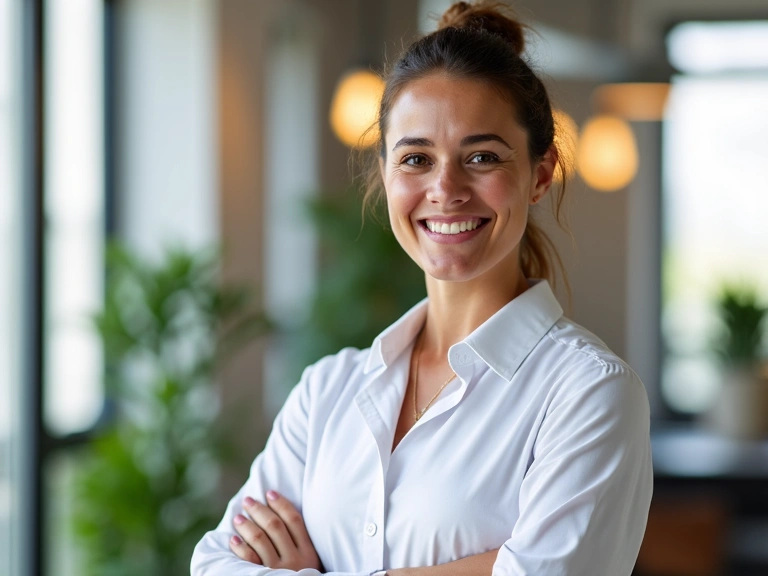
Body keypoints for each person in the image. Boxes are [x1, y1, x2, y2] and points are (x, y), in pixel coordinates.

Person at [191, 2, 653, 575]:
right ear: (385, 174)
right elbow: (216, 563)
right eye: (415, 159)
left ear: (539, 174)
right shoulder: (326, 392)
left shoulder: (588, 393)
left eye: (482, 156)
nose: (446, 188)